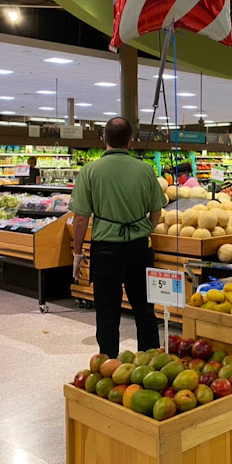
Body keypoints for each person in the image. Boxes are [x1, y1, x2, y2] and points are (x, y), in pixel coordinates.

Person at [70, 117, 167, 358]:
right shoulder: (145, 170)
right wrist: (146, 228)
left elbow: (80, 218)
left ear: (104, 138)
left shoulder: (89, 171)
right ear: (130, 140)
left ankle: (108, 365)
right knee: (145, 310)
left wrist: (77, 253)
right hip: (138, 248)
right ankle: (150, 363)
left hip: (105, 251)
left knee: (107, 312)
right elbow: (157, 210)